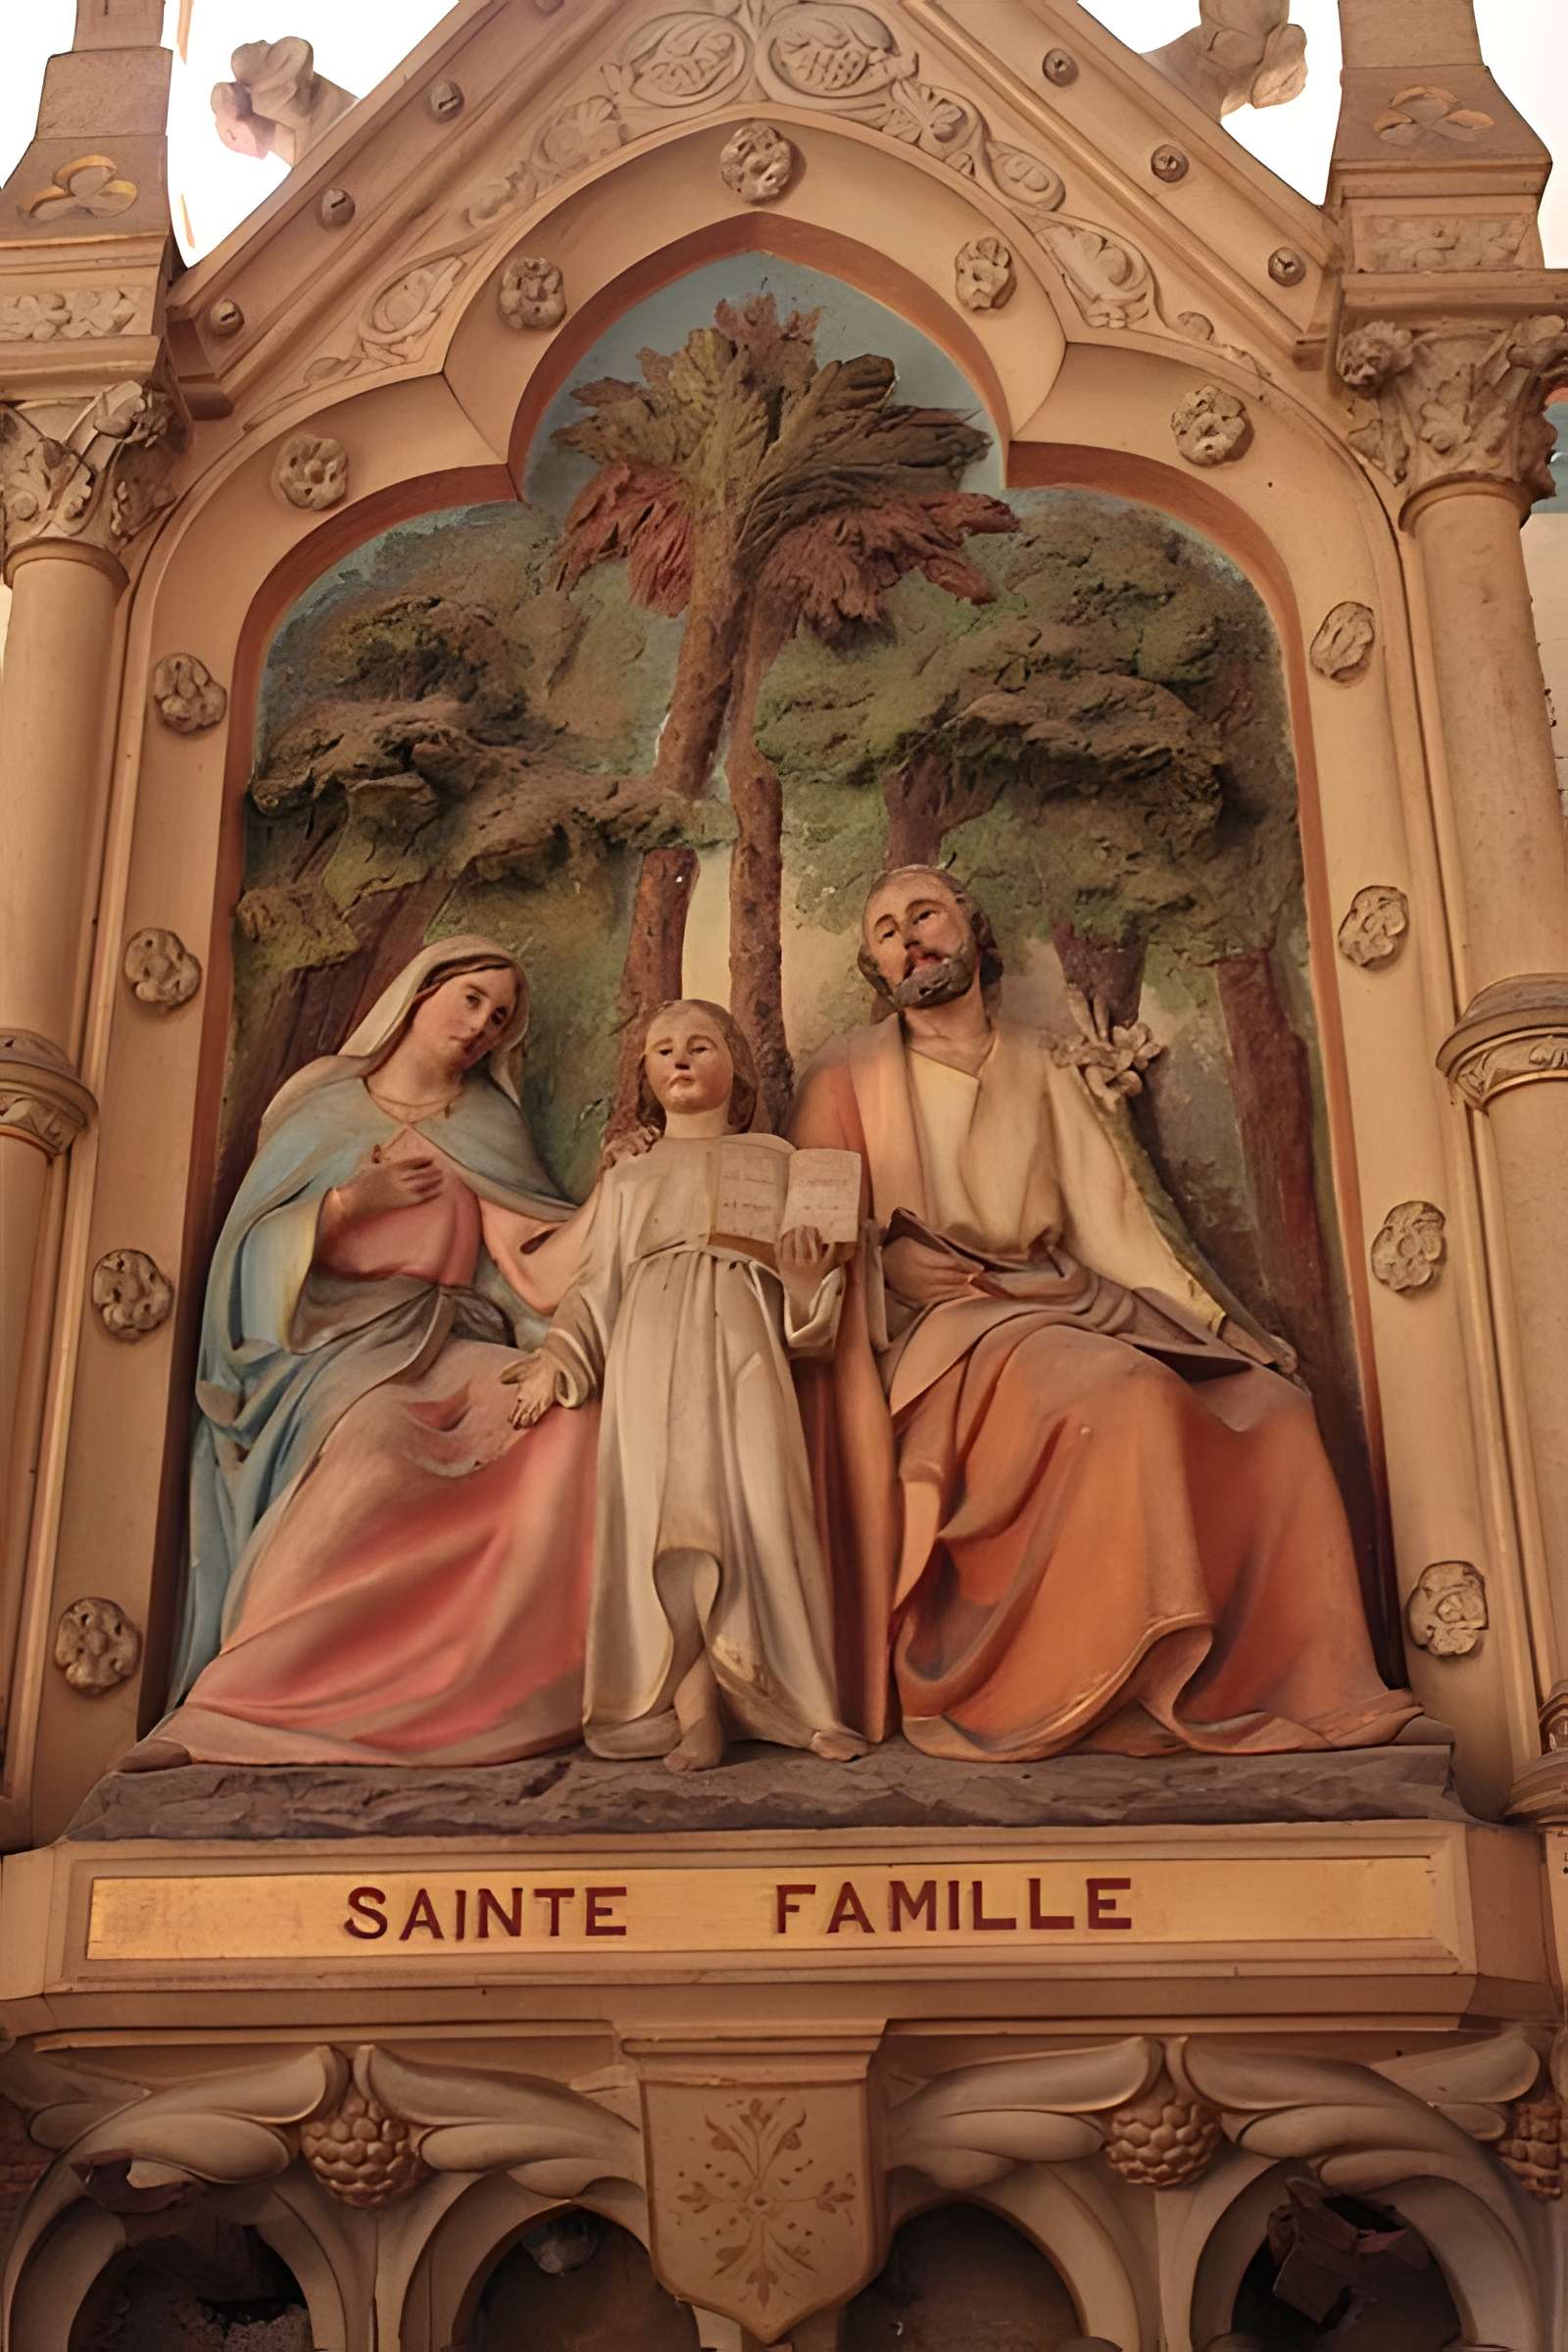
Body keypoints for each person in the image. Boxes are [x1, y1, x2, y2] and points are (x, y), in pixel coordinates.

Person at [788, 865, 1419, 1762]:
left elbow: (1110, 1219)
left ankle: (1309, 1688)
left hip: (1061, 1299)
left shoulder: (1043, 1059)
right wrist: (880, 1258)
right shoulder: (847, 1075)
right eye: (885, 930)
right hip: (945, 1341)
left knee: (1275, 1411)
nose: (909, 938)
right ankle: (1116, 1689)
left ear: (971, 925)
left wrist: (1221, 1325)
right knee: (1122, 1394)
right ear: (873, 964)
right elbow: (812, 1224)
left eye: (924, 914)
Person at [125, 937, 602, 1769]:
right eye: (471, 999)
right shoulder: (324, 1108)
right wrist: (345, 1205)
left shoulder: (487, 1123)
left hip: (444, 1335)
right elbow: (243, 1259)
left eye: (499, 1018)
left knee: (569, 1418)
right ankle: (232, 1705)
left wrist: (625, 1198)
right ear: (420, 994)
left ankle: (503, 1690)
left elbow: (530, 1264)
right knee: (378, 1453)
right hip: (330, 1347)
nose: (482, 1025)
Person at [504, 1000, 865, 1774]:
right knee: (665, 1519)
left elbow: (812, 1323)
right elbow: (596, 1286)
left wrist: (804, 1281)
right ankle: (695, 1708)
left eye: (701, 1045)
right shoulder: (632, 1176)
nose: (681, 1059)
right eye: (663, 1049)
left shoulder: (777, 1160)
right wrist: (558, 1359)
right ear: (646, 1077)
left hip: (744, 1343)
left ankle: (801, 1707)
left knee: (765, 1507)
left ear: (735, 1069)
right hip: (649, 1349)